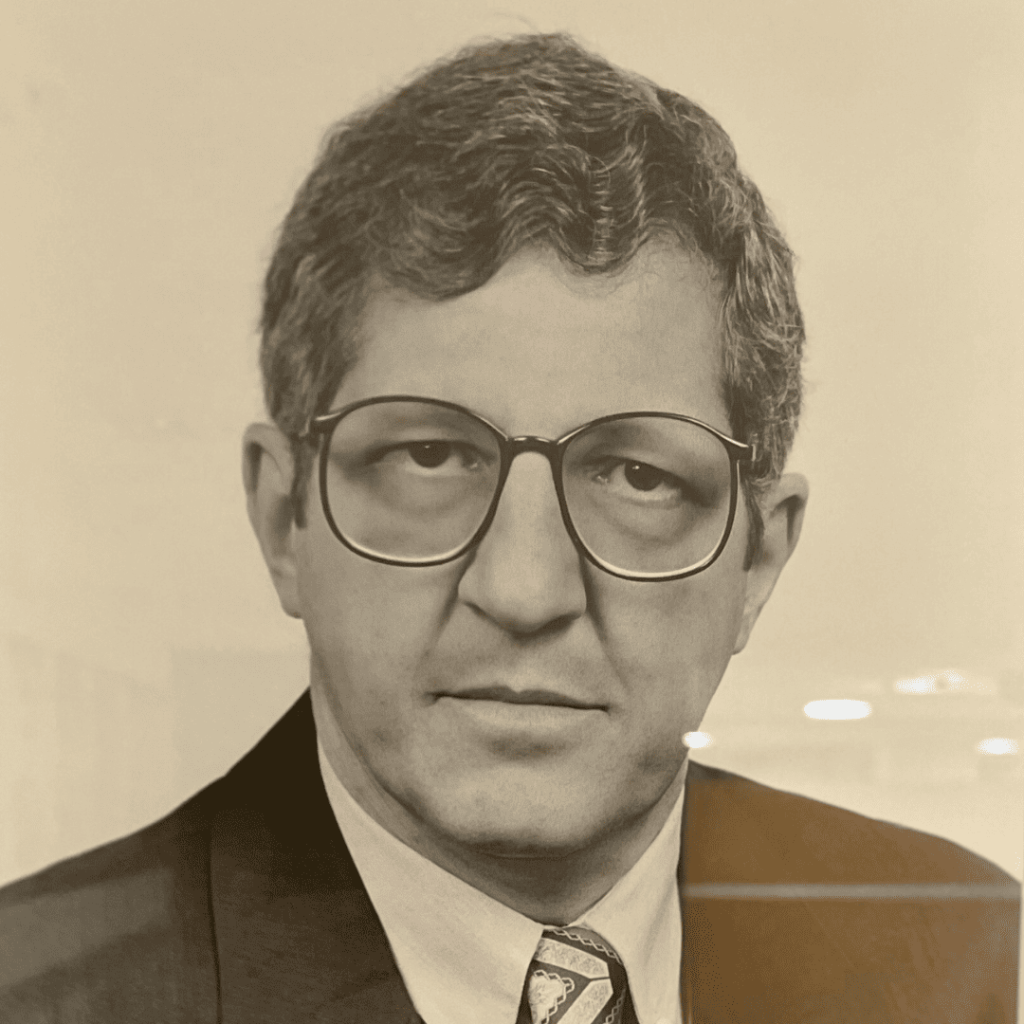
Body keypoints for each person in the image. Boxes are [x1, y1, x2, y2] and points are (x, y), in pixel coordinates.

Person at [0, 32, 1018, 1024]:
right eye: (430, 457)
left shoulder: (973, 962)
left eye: (638, 475)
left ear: (759, 560)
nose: (526, 589)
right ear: (282, 519)